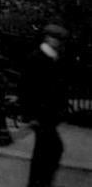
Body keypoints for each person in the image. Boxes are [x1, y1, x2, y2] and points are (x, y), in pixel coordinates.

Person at [18, 24, 69, 187]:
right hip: (40, 114)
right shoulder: (36, 58)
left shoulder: (55, 58)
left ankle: (39, 183)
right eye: (56, 39)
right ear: (47, 38)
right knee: (53, 149)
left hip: (49, 113)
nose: (59, 42)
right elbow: (26, 88)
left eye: (60, 40)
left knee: (44, 151)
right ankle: (40, 183)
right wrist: (29, 115)